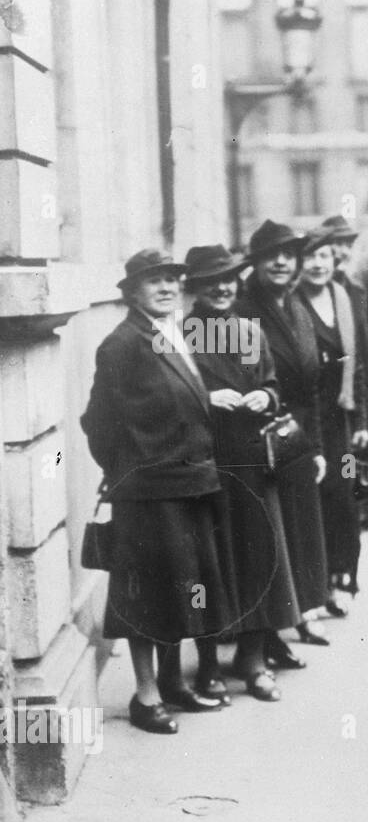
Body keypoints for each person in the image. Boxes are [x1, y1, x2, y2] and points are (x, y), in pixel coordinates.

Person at [80, 250, 237, 733]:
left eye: (173, 279)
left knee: (181, 589)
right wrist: (132, 470)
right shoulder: (121, 344)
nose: (167, 287)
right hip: (149, 493)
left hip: (190, 485)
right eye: (155, 281)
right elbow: (97, 423)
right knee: (146, 597)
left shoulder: (170, 331)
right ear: (131, 291)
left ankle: (173, 686)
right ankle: (146, 697)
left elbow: (177, 398)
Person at [186, 243, 301, 703]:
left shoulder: (249, 331)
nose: (221, 287)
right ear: (194, 287)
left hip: (253, 462)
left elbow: (273, 384)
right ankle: (209, 665)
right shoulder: (180, 335)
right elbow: (169, 395)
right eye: (211, 280)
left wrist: (266, 398)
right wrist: (204, 398)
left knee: (258, 559)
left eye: (229, 278)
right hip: (206, 462)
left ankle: (252, 660)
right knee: (209, 564)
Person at [235, 220, 331, 665]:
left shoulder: (294, 305)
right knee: (272, 540)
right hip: (259, 441)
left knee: (301, 533)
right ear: (254, 261)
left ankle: (301, 615)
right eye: (271, 254)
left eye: (288, 255)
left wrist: (316, 448)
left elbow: (312, 382)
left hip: (296, 439)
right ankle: (268, 636)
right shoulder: (241, 310)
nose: (280, 262)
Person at [298, 228, 368, 614]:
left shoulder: (341, 297)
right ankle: (319, 586)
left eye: (324, 256)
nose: (317, 264)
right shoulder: (293, 303)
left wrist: (360, 420)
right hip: (307, 420)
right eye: (309, 257)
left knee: (343, 497)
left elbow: (355, 363)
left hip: (340, 420)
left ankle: (342, 577)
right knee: (315, 503)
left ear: (333, 261)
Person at [321, 214, 368, 529]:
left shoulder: (354, 287)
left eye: (347, 244)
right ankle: (352, 509)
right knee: (344, 453)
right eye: (336, 244)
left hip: (359, 377)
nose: (343, 251)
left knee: (362, 447)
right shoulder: (320, 289)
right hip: (333, 385)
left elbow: (363, 336)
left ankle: (365, 506)